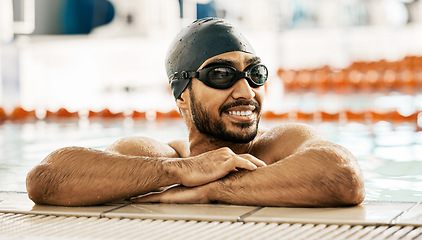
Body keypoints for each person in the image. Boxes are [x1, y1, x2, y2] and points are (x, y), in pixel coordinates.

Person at [26, 18, 365, 207]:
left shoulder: (281, 145)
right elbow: (45, 178)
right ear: (182, 96)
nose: (246, 92)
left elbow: (344, 177)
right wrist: (185, 169)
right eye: (221, 75)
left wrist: (214, 189)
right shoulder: (160, 157)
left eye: (255, 73)